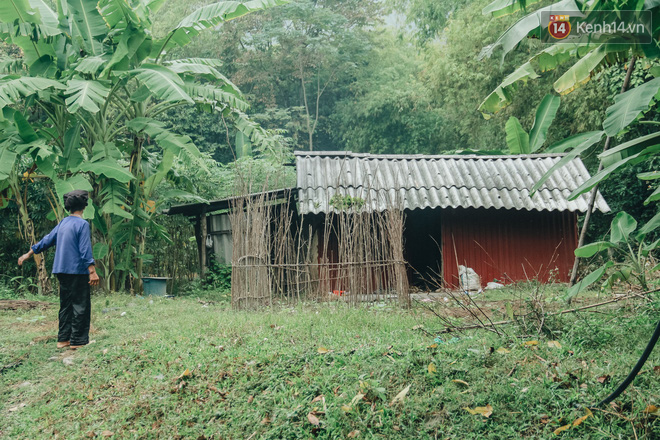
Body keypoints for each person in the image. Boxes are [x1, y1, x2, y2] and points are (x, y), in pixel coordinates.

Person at [18, 189, 99, 349]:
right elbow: (84, 250)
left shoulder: (63, 223)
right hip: (77, 270)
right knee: (80, 305)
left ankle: (63, 340)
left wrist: (28, 253)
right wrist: (92, 271)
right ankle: (78, 341)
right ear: (84, 206)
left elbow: (47, 240)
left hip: (61, 269)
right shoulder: (82, 224)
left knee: (66, 305)